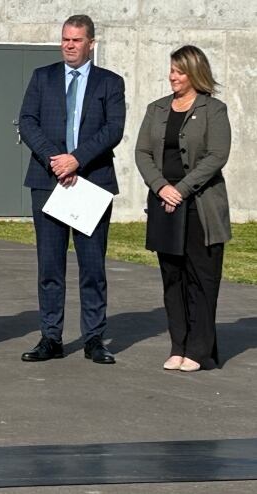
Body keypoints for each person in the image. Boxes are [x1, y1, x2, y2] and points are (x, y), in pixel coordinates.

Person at [18, 15, 125, 364]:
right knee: (50, 266)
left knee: (92, 267)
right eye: (65, 39)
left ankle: (94, 338)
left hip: (90, 183)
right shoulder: (42, 77)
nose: (68, 45)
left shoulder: (110, 82)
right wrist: (56, 159)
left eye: (76, 40)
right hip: (48, 182)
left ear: (91, 43)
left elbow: (113, 130)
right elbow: (27, 121)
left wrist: (76, 160)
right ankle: (51, 337)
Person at [135, 46, 231, 372]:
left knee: (201, 279)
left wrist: (182, 189)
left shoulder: (214, 110)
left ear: (195, 73)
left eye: (180, 71)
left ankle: (199, 350)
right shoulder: (157, 108)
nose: (173, 76)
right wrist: (161, 187)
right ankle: (178, 345)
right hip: (165, 205)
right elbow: (142, 153)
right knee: (172, 278)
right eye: (171, 70)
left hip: (200, 207)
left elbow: (217, 155)